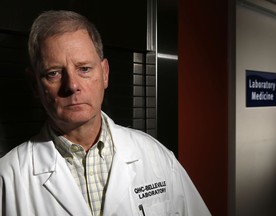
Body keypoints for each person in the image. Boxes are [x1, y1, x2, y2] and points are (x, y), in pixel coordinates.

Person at [0, 10, 211, 216]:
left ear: (105, 74)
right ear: (35, 85)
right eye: (53, 73)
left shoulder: (156, 157)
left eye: (84, 69)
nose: (72, 85)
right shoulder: (7, 177)